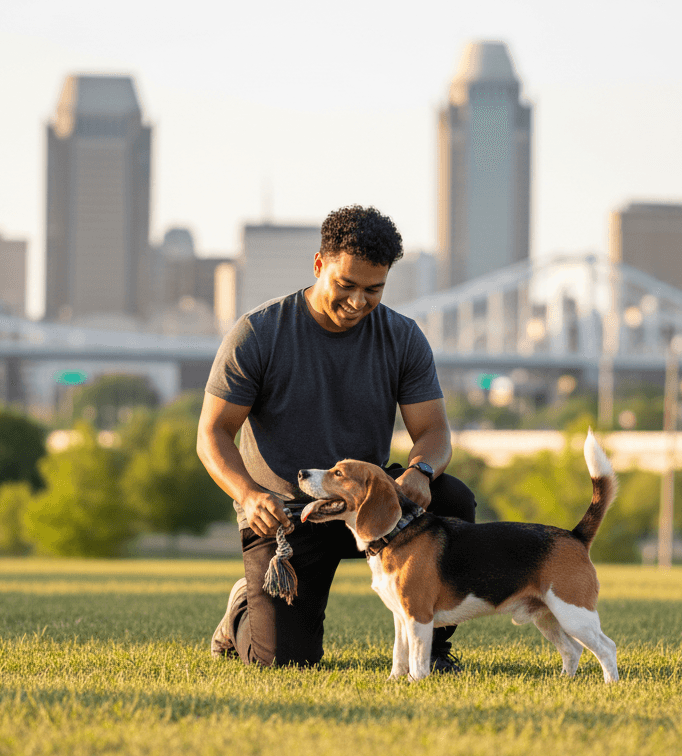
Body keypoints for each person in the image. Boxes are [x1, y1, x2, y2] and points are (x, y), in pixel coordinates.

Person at [198, 204, 476, 670]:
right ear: (318, 265)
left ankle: (434, 649)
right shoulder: (259, 332)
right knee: (284, 664)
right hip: (286, 513)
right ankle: (244, 609)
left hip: (367, 500)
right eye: (345, 285)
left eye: (373, 289)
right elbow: (212, 434)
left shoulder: (403, 337)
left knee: (452, 501)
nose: (357, 301)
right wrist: (248, 496)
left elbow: (433, 431)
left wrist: (422, 470)